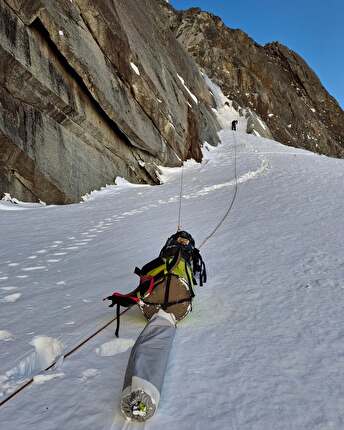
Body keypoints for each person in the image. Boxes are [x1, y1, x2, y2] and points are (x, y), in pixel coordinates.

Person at [105, 230, 206, 336]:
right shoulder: (188, 252)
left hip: (156, 290)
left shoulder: (168, 249)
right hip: (180, 302)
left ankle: (148, 292)